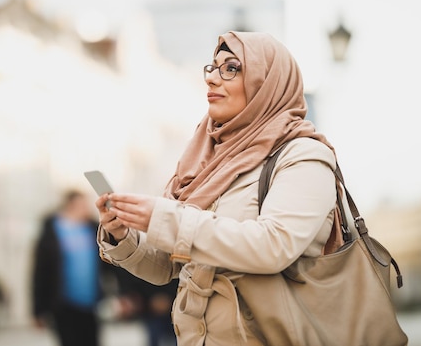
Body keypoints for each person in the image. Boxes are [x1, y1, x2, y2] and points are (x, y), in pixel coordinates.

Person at [95, 31, 342, 346]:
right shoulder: (206, 159)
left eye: (231, 68)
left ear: (266, 82)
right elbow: (166, 267)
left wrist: (165, 218)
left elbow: (273, 246)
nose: (212, 79)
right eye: (212, 68)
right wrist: (124, 234)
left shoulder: (303, 155)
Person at [31, 189, 112, 346]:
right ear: (71, 205)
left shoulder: (93, 228)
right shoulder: (51, 231)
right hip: (63, 304)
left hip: (91, 304)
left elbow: (110, 261)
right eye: (83, 204)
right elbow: (40, 272)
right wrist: (38, 310)